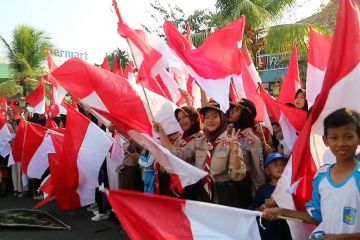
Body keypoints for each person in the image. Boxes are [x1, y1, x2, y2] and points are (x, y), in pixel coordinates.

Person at [263, 108, 360, 239]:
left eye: (348, 137)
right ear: (326, 140)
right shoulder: (322, 176)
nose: (341, 143)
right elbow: (316, 216)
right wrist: (281, 212)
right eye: (334, 137)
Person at [154, 101, 246, 207]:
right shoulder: (199, 141)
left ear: (222, 118)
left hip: (223, 197)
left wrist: (235, 151)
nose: (210, 120)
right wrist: (161, 132)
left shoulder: (231, 142)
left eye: (214, 116)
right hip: (202, 195)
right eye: (207, 117)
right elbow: (178, 154)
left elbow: (237, 176)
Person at [228, 99, 265, 207]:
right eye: (232, 109)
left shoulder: (253, 140)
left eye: (236, 110)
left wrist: (258, 199)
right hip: (224, 188)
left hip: (241, 188)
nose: (231, 112)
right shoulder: (227, 132)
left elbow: (258, 171)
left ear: (245, 115)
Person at [254, 152, 291, 240]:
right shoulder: (263, 190)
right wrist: (262, 207)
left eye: (283, 164)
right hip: (271, 233)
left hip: (289, 231)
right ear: (267, 171)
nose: (280, 167)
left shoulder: (290, 187)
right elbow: (256, 210)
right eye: (275, 165)